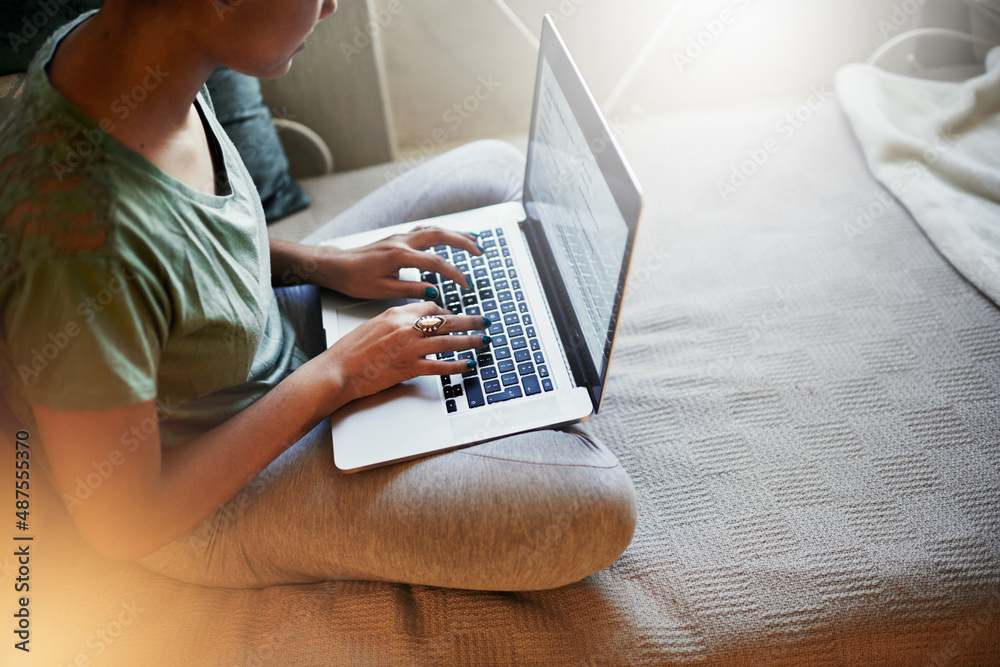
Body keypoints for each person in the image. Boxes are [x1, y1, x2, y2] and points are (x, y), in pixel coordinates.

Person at [0, 0, 636, 590]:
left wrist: (325, 263)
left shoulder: (120, 47)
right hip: (215, 491)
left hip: (258, 337)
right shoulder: (75, 245)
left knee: (493, 171)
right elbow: (124, 524)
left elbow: (180, 244)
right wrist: (342, 374)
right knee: (598, 506)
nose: (332, 5)